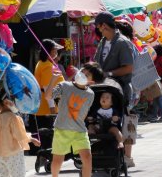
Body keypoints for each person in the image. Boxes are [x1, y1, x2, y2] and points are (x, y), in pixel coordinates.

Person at [94, 12, 135, 166]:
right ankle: (109, 153)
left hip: (121, 89)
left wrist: (109, 73)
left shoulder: (122, 43)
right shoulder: (103, 42)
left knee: (126, 120)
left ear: (104, 25)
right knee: (106, 120)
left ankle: (128, 157)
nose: (98, 30)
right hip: (105, 89)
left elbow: (129, 67)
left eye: (98, 26)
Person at [45, 69, 94, 177]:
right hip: (62, 129)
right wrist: (53, 78)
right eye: (83, 72)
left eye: (87, 75)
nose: (83, 75)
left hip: (80, 131)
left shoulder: (91, 94)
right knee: (58, 160)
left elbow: (84, 113)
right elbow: (48, 96)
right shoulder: (64, 85)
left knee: (87, 158)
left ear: (91, 81)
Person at [0, 88, 40, 177]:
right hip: (14, 154)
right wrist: (31, 139)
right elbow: (20, 135)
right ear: (8, 102)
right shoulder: (13, 117)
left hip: (0, 155)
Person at [33, 39, 65, 130]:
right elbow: (47, 88)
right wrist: (52, 109)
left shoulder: (44, 63)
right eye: (54, 49)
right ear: (49, 51)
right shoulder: (46, 65)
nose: (56, 52)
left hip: (47, 106)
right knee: (48, 136)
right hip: (47, 109)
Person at [151, 44, 162, 122]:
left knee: (158, 99)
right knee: (156, 99)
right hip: (158, 81)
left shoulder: (161, 59)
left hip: (161, 81)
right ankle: (154, 116)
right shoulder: (157, 58)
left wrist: (161, 78)